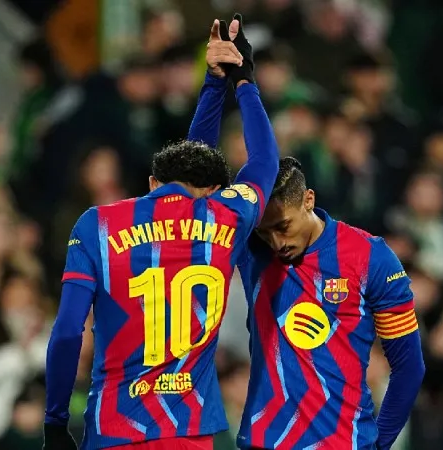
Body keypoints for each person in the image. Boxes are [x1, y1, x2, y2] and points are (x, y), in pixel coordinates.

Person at [43, 14, 280, 450]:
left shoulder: (96, 224)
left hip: (114, 430)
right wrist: (242, 81)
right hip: (189, 432)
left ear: (153, 183)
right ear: (213, 191)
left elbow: (67, 332)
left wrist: (56, 422)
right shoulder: (226, 219)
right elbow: (264, 161)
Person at [236, 158, 425, 449]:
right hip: (264, 442)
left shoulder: (370, 258)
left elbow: (409, 367)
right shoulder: (252, 252)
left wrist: (380, 444)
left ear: (308, 200)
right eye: (265, 231)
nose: (276, 242)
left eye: (283, 226)